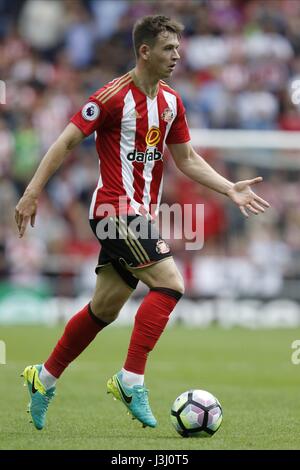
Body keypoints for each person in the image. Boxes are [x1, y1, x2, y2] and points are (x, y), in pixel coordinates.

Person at [15, 15, 270, 431]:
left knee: (104, 308)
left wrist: (229, 188)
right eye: (169, 49)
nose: (177, 56)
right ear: (145, 51)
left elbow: (186, 159)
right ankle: (130, 380)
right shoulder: (112, 96)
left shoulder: (171, 102)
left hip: (141, 216)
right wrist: (31, 193)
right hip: (114, 211)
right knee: (171, 283)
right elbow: (65, 141)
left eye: (179, 48)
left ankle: (43, 379)